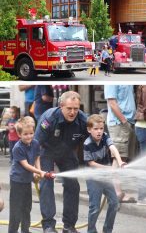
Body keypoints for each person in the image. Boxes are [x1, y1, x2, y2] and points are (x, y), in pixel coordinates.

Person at [35, 91, 89, 233]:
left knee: (73, 185)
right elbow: (35, 146)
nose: (72, 112)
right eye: (69, 108)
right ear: (61, 106)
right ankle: (48, 226)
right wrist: (38, 170)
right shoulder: (49, 118)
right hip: (46, 151)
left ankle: (69, 226)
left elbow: (95, 140)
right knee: (46, 184)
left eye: (76, 109)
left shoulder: (84, 121)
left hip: (67, 153)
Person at [84, 114, 126, 233]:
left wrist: (120, 161)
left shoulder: (105, 137)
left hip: (105, 177)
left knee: (114, 203)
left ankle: (107, 230)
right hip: (93, 178)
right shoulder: (87, 144)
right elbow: (91, 164)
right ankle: (91, 231)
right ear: (89, 130)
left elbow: (113, 148)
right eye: (96, 129)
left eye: (101, 129)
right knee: (95, 208)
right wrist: (108, 169)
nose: (99, 132)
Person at [9, 117, 46, 233]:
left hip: (26, 180)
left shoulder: (35, 143)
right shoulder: (17, 148)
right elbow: (25, 165)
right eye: (25, 134)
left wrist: (38, 171)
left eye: (31, 133)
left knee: (27, 207)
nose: (29, 136)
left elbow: (37, 157)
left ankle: (25, 230)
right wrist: (38, 172)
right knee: (16, 209)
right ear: (19, 134)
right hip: (17, 181)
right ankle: (12, 231)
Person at [104, 85, 137, 203]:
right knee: (118, 158)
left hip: (126, 122)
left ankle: (119, 191)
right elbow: (112, 103)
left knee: (123, 158)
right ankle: (117, 193)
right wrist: (124, 121)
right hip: (119, 123)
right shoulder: (112, 83)